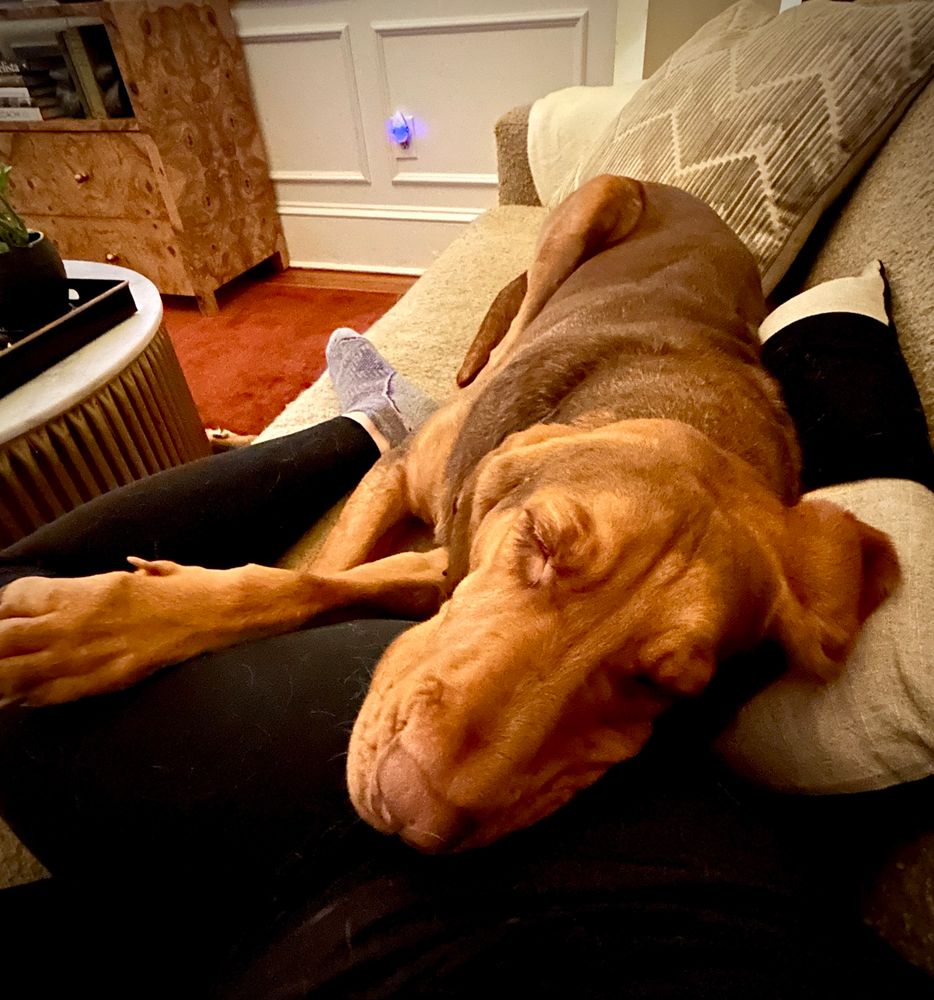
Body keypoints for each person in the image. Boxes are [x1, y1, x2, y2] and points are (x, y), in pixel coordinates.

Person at [0, 314, 931, 1000]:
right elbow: (463, 561)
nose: (440, 788)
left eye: (654, 677)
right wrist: (295, 595)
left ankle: (364, 428)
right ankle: (373, 431)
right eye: (547, 551)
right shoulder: (535, 471)